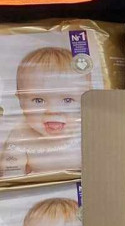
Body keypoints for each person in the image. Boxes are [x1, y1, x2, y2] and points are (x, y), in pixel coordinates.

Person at [1, 48, 94, 179]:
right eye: (38, 100)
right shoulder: (20, 135)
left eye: (68, 100)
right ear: (20, 101)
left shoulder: (88, 130)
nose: (53, 110)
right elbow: (11, 173)